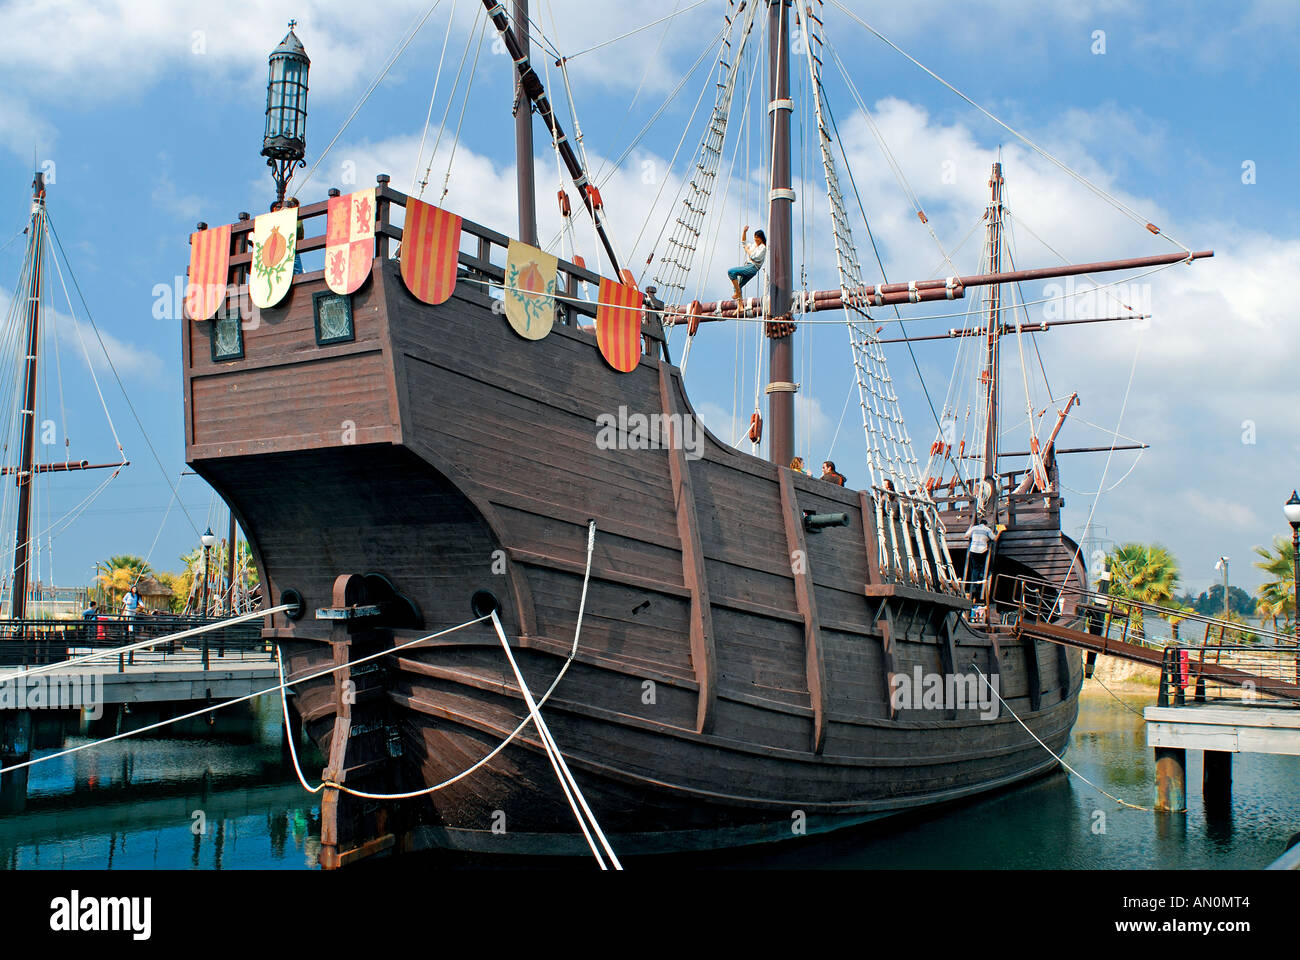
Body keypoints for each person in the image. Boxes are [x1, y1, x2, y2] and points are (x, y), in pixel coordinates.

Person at [963, 519, 1000, 602]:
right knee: (983, 566)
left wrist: (970, 527)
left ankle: (974, 587)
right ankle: (981, 578)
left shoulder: (974, 528)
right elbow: (995, 539)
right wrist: (999, 532)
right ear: (986, 524)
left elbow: (966, 536)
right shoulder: (987, 529)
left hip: (973, 550)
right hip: (982, 551)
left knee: (975, 568)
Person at [727, 226, 767, 300]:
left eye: (757, 237)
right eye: (755, 237)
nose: (755, 239)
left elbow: (754, 257)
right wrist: (744, 232)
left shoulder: (763, 248)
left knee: (731, 272)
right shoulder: (754, 245)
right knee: (736, 286)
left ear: (761, 238)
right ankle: (740, 306)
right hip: (748, 266)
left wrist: (747, 250)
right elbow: (744, 242)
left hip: (753, 267)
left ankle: (738, 292)